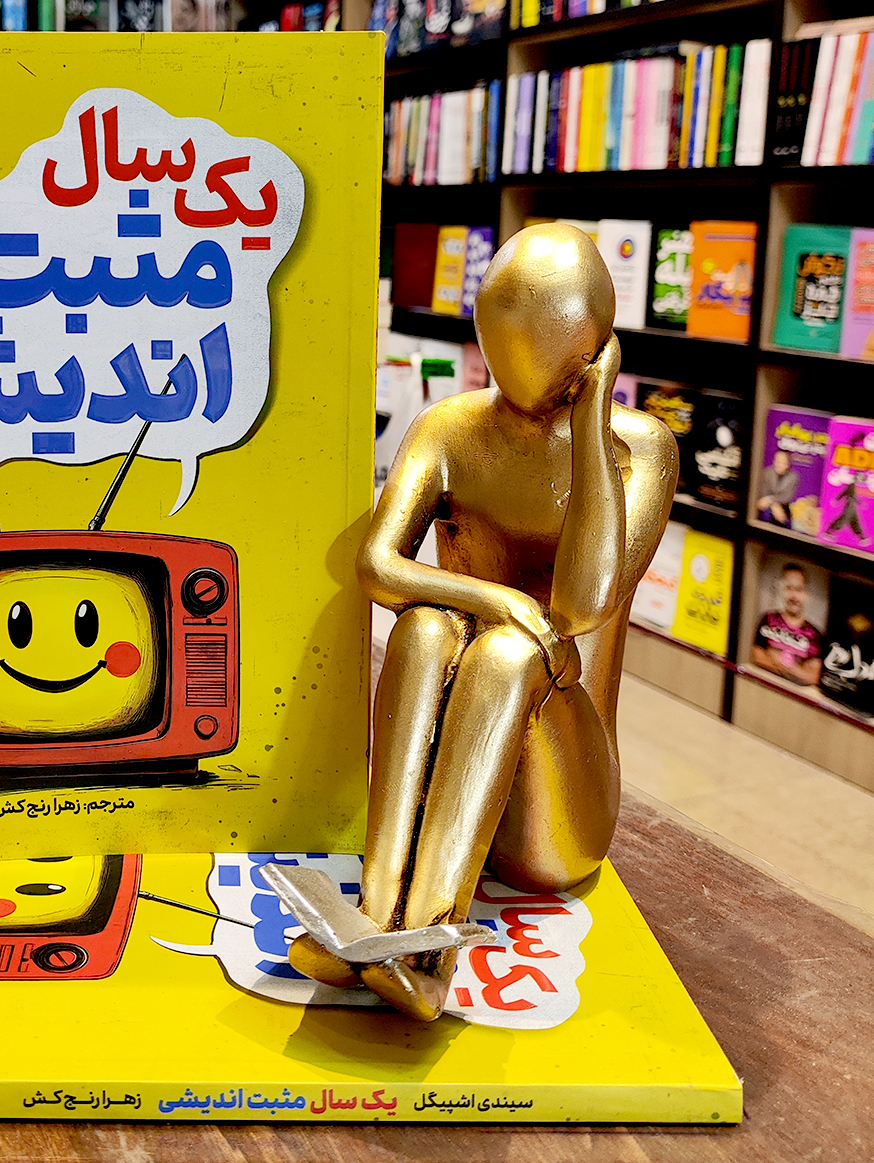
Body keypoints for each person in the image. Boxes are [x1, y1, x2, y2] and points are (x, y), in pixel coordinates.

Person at [289, 224, 677, 1019]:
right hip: (449, 784)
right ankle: (376, 911)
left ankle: (428, 950)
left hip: (555, 815)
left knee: (506, 654)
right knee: (424, 627)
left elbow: (581, 605)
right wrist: (496, 599)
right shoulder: (451, 426)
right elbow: (377, 565)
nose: (519, 370)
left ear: (591, 347)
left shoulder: (639, 448)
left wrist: (592, 421)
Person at [751, 563, 823, 687]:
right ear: (782, 590)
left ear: (806, 594)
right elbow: (756, 657)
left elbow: (812, 677)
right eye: (788, 588)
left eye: (799, 589)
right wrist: (798, 670)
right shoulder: (768, 619)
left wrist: (780, 661)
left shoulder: (815, 635)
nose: (793, 596)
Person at [756, 449, 799, 527]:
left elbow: (786, 498)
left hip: (783, 507)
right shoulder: (767, 473)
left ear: (787, 464)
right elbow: (764, 493)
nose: (779, 465)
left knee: (788, 523)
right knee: (765, 514)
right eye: (778, 461)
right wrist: (774, 506)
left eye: (783, 462)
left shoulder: (793, 477)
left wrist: (770, 500)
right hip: (766, 506)